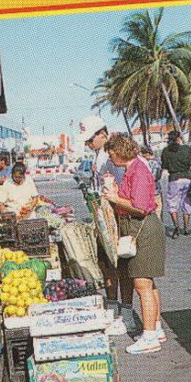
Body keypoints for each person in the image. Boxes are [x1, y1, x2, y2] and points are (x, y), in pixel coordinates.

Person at [103, 133, 168, 354]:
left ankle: (149, 337)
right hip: (142, 228)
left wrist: (114, 198)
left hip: (143, 229)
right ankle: (155, 328)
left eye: (112, 154)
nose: (111, 158)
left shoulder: (138, 171)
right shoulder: (134, 169)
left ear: (121, 152)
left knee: (142, 284)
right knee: (148, 283)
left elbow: (140, 207)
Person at [79, 115, 128, 309]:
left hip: (116, 214)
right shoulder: (99, 155)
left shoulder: (112, 156)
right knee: (106, 264)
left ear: (102, 134)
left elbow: (121, 187)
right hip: (102, 215)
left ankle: (125, 310)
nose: (88, 144)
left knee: (120, 266)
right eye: (86, 141)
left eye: (91, 139)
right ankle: (113, 304)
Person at [160, 130, 191, 237]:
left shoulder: (166, 151)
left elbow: (165, 166)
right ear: (179, 137)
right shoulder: (186, 149)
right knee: (186, 202)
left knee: (172, 203)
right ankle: (186, 228)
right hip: (187, 178)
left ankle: (176, 227)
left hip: (174, 178)